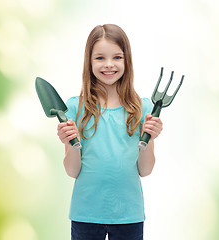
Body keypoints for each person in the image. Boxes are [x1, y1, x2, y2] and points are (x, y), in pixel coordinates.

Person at [57, 24, 163, 240]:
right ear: (89, 61)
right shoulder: (75, 108)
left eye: (117, 57)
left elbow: (145, 170)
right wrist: (70, 142)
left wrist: (149, 137)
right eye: (100, 58)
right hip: (85, 214)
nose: (108, 65)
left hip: (129, 215)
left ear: (127, 61)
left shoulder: (143, 109)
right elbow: (72, 170)